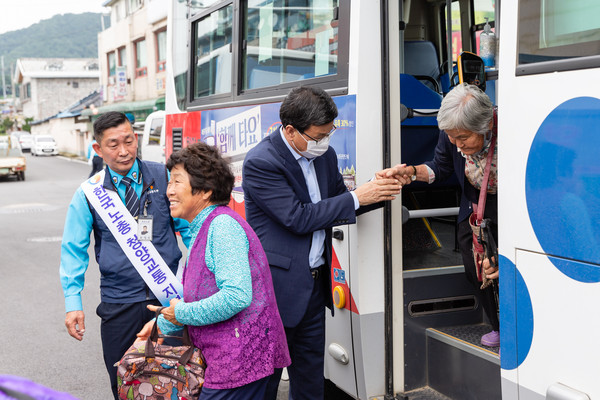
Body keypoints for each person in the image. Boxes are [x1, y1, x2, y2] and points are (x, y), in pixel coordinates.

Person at [241, 86, 408, 400]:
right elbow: (298, 218)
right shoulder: (261, 162)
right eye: (319, 136)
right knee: (264, 383)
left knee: (310, 381)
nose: (325, 142)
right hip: (276, 291)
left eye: (329, 133)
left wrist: (380, 189)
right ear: (290, 131)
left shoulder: (324, 156)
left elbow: (338, 203)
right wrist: (358, 197)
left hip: (315, 288)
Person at [137, 142, 291, 399]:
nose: (168, 191)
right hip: (228, 358)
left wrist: (181, 313)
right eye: (169, 182)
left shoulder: (221, 227)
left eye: (176, 182)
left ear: (206, 190)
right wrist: (163, 322)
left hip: (241, 361)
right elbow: (204, 290)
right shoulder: (203, 225)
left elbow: (236, 295)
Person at [59, 111, 190, 399]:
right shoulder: (89, 194)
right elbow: (73, 249)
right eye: (113, 144)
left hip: (169, 299)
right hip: (120, 304)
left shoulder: (164, 176)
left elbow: (190, 230)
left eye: (129, 141)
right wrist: (73, 302)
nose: (123, 151)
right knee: (125, 384)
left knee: (179, 381)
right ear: (98, 149)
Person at [384, 83, 500, 347]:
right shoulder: (452, 131)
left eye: (463, 138)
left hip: (509, 208)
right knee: (476, 270)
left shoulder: (511, 131)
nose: (457, 145)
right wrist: (412, 173)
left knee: (503, 269)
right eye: (451, 138)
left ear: (485, 127)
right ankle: (497, 325)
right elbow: (440, 167)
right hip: (473, 209)